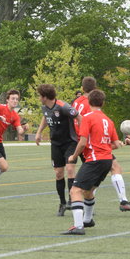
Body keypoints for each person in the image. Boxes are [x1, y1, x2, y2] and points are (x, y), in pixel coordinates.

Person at [73, 76, 130, 212]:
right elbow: (93, 123)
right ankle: (122, 201)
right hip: (90, 145)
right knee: (112, 168)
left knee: (103, 173)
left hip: (81, 140)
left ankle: (88, 208)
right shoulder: (90, 106)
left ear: (82, 88)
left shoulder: (76, 102)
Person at [62, 89, 122, 235]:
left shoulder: (87, 118)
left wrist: (73, 156)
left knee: (75, 190)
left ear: (89, 102)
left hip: (95, 160)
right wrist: (103, 147)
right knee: (88, 191)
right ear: (103, 103)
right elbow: (116, 144)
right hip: (107, 160)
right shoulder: (108, 120)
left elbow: (82, 142)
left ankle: (78, 226)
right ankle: (88, 220)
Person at [34, 84, 81, 216]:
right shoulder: (45, 107)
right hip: (55, 144)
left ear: (45, 97)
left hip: (70, 142)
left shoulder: (63, 106)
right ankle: (62, 203)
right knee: (59, 174)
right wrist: (38, 132)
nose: (39, 98)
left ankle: (72, 199)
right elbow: (45, 117)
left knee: (70, 169)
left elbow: (79, 117)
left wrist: (83, 135)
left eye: (39, 96)